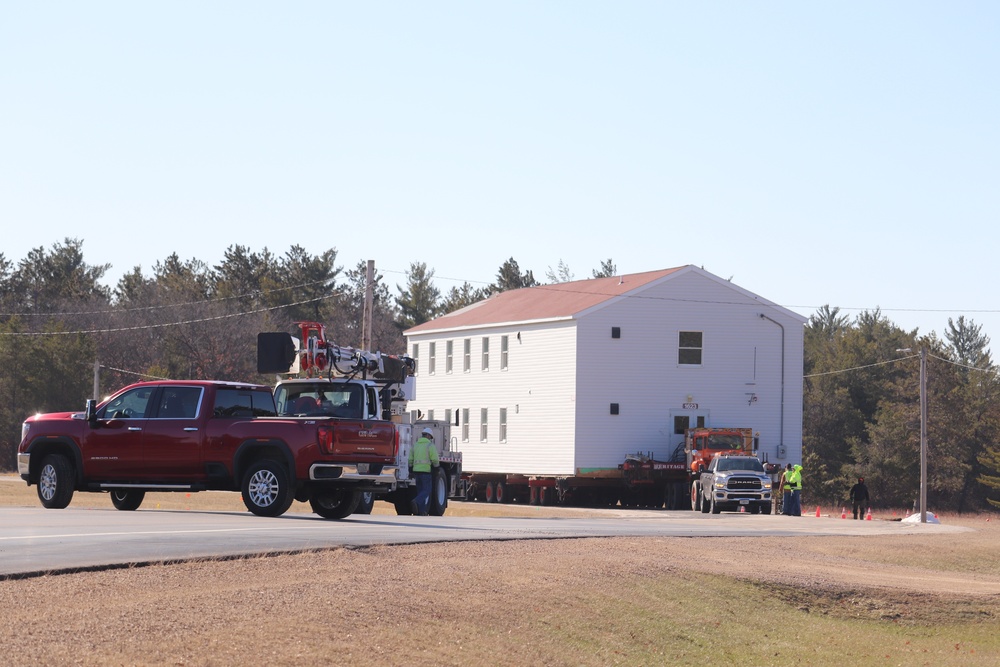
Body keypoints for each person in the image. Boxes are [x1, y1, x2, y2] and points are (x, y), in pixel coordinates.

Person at [409, 428, 440, 516]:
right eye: (430, 437)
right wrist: (437, 467)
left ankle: (421, 512)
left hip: (416, 472)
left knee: (420, 492)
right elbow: (434, 458)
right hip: (425, 471)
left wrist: (410, 468)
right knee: (426, 491)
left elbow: (410, 458)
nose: (430, 439)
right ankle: (416, 501)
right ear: (428, 436)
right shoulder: (430, 445)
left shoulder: (415, 445)